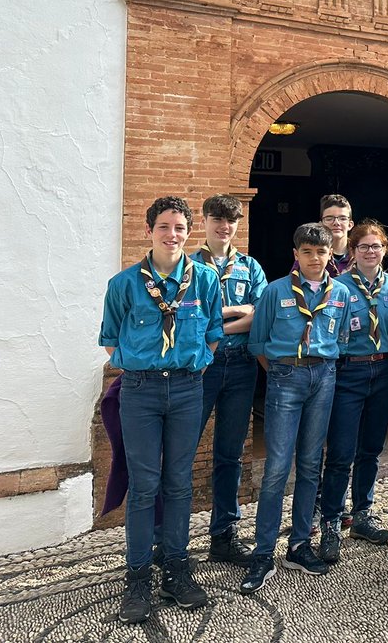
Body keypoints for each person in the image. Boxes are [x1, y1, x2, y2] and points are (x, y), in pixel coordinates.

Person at [99, 196, 222, 623]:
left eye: (181, 228)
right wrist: (145, 367)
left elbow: (213, 332)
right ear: (148, 229)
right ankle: (137, 577)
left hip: (188, 389)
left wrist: (193, 365)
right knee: (144, 484)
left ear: (190, 233)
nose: (173, 235)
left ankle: (175, 568)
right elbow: (113, 340)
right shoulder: (125, 284)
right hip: (141, 391)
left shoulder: (204, 279)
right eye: (165, 226)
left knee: (179, 483)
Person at [241, 223, 350, 595]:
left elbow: (342, 338)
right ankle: (263, 551)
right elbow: (258, 343)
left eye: (321, 252)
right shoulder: (274, 292)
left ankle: (299, 544)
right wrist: (284, 373)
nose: (315, 258)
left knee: (309, 464)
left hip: (324, 376)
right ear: (296, 255)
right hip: (286, 376)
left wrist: (317, 368)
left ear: (330, 254)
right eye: (307, 252)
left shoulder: (341, 294)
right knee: (276, 467)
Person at [318, 221, 388, 564]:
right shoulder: (337, 286)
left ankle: (363, 514)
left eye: (376, 246)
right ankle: (331, 522)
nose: (370, 252)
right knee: (340, 451)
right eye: (364, 246)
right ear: (353, 250)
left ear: (385, 250)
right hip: (348, 371)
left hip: (383, 370)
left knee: (371, 448)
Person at [191, 193, 267, 567]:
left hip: (240, 366)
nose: (224, 226)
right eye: (217, 219)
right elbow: (190, 317)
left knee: (230, 454)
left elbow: (261, 312)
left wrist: (217, 318)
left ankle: (224, 534)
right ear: (203, 221)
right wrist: (237, 313)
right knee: (181, 453)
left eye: (231, 221)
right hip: (201, 367)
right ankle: (166, 541)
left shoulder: (250, 267)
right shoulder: (188, 266)